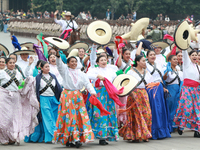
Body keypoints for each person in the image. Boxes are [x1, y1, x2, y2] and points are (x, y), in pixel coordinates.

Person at [53, 50, 96, 148]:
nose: (74, 63)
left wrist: (93, 92)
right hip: (67, 95)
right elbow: (59, 65)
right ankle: (72, 139)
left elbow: (87, 83)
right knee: (69, 117)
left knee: (79, 116)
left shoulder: (81, 73)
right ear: (67, 63)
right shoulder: (65, 71)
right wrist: (58, 56)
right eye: (71, 62)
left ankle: (76, 138)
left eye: (75, 61)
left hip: (77, 96)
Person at [0, 58, 39, 145]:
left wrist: (27, 81)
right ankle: (3, 138)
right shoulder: (1, 73)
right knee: (5, 118)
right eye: (10, 63)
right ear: (6, 64)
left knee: (14, 118)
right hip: (4, 96)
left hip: (16, 97)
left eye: (13, 63)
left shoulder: (18, 73)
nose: (12, 64)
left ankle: (12, 137)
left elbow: (21, 85)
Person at [87, 55, 120, 145]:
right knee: (99, 113)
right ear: (97, 62)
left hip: (109, 94)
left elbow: (116, 80)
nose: (104, 61)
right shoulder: (94, 70)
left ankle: (105, 136)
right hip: (98, 94)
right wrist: (97, 76)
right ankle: (99, 135)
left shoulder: (111, 71)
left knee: (109, 113)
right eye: (101, 60)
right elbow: (88, 76)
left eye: (105, 60)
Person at [119, 55, 152, 142]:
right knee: (136, 114)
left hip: (144, 94)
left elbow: (150, 83)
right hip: (134, 93)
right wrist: (131, 92)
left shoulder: (147, 72)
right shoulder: (130, 72)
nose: (145, 63)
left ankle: (145, 133)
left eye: (145, 61)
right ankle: (136, 135)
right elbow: (125, 83)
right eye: (143, 61)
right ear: (137, 62)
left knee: (147, 114)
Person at [173, 50, 200, 137]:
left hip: (196, 90)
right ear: (189, 56)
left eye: (196, 55)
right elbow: (184, 52)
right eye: (193, 55)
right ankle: (180, 126)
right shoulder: (187, 64)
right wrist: (184, 43)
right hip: (187, 89)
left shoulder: (198, 67)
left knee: (197, 111)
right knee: (186, 109)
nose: (195, 56)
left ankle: (197, 131)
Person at [163, 55, 183, 131]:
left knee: (177, 107)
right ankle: (169, 126)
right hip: (170, 89)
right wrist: (167, 71)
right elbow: (164, 78)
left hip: (178, 89)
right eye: (174, 59)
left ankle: (176, 125)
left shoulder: (179, 70)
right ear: (170, 61)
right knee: (170, 107)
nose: (176, 61)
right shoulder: (167, 69)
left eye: (177, 59)